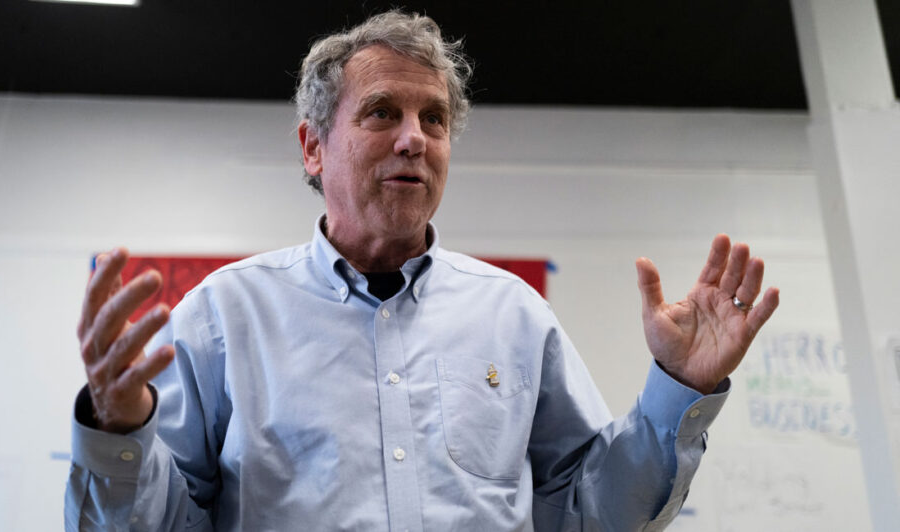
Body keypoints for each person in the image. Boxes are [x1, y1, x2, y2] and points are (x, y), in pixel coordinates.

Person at [65, 10, 779, 531]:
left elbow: (590, 516)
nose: (415, 139)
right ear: (313, 147)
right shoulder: (225, 316)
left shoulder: (514, 317)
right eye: (382, 113)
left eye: (433, 119)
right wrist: (118, 432)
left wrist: (678, 388)